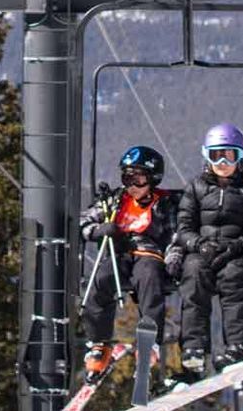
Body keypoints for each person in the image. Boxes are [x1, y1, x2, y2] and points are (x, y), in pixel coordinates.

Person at [172, 122, 243, 378]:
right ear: (206, 156)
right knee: (193, 274)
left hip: (240, 253)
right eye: (215, 155)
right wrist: (198, 245)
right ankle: (194, 347)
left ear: (241, 157)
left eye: (229, 155)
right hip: (203, 251)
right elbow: (184, 226)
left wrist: (239, 245)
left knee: (232, 278)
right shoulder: (196, 187)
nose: (222, 162)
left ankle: (240, 345)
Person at [77, 145, 180, 381]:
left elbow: (177, 234)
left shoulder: (164, 204)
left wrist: (174, 256)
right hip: (119, 254)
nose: (132, 186)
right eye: (127, 178)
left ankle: (149, 343)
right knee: (100, 282)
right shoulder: (115, 200)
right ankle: (99, 342)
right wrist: (98, 230)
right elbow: (83, 221)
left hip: (149, 253)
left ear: (153, 179)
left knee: (149, 281)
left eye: (139, 179)